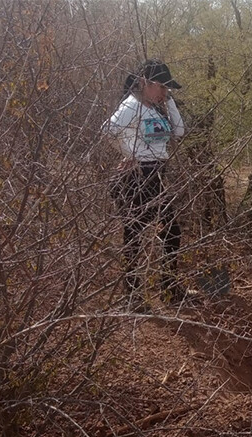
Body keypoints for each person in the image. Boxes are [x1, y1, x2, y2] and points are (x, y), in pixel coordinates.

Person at [102, 58, 188, 312]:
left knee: (171, 231)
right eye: (161, 86)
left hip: (157, 175)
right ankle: (134, 297)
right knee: (134, 236)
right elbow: (107, 130)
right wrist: (130, 154)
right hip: (138, 177)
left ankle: (169, 289)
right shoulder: (131, 106)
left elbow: (180, 131)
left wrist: (169, 100)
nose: (164, 92)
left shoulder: (154, 107)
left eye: (167, 88)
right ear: (144, 83)